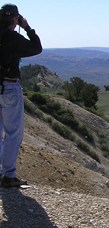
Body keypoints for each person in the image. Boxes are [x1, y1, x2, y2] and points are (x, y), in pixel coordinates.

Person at [0, 3, 42, 188]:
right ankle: (9, 175)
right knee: (13, 133)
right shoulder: (13, 38)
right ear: (15, 20)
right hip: (9, 87)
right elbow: (36, 48)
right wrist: (27, 28)